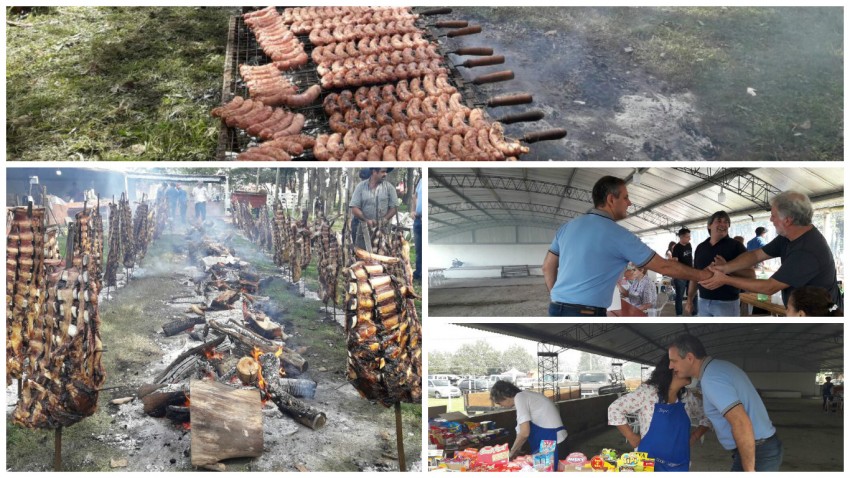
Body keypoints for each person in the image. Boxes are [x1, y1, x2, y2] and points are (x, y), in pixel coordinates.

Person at [542, 176, 712, 316]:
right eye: (625, 197)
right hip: (586, 313)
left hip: (556, 309)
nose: (629, 203)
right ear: (610, 199)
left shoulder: (567, 227)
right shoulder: (619, 234)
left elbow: (547, 267)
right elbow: (664, 266)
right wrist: (704, 275)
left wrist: (557, 296)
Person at [699, 191, 840, 307]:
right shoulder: (788, 236)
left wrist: (725, 279)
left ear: (788, 220)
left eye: (773, 215)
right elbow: (756, 255)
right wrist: (726, 268)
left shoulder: (807, 251)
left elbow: (769, 287)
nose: (771, 220)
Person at [668, 335, 782, 471]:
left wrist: (749, 471)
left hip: (757, 452)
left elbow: (740, 423)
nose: (670, 366)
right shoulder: (717, 368)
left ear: (690, 358)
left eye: (673, 361)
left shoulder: (711, 379)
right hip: (758, 448)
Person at [608, 355, 711, 472]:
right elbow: (615, 409)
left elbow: (708, 415)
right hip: (648, 463)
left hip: (679, 463)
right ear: (673, 370)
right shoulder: (648, 393)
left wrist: (695, 436)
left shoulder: (686, 397)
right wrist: (631, 437)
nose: (691, 371)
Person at [687, 211, 753, 316]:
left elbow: (751, 275)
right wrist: (689, 299)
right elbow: (694, 277)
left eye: (726, 222)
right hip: (703, 301)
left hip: (727, 303)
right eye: (719, 221)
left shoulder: (736, 246)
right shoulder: (701, 247)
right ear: (709, 225)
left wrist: (727, 266)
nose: (723, 224)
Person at [490, 380, 568, 463]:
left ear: (505, 396)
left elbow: (524, 433)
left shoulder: (520, 397)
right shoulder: (526, 396)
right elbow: (520, 430)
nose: (501, 406)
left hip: (551, 441)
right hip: (554, 439)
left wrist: (512, 452)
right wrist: (517, 449)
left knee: (544, 470)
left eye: (499, 403)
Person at [349, 168, 397, 249]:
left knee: (381, 255)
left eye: (386, 172)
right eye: (383, 172)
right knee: (362, 255)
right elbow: (354, 208)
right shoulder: (361, 187)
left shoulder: (389, 188)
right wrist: (367, 220)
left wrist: (384, 220)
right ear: (374, 172)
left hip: (382, 230)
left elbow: (394, 208)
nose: (385, 174)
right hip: (363, 229)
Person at [670, 228, 697, 317]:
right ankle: (679, 314)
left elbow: (690, 258)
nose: (689, 238)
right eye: (687, 237)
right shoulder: (677, 247)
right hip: (681, 276)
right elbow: (675, 262)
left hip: (690, 274)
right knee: (679, 296)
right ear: (681, 237)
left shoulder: (689, 245)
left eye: (689, 236)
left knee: (693, 294)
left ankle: (695, 313)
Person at [411, 177, 422, 281]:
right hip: (418, 219)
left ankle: (421, 274)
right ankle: (418, 273)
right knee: (419, 249)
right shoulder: (421, 180)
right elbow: (415, 196)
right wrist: (413, 210)